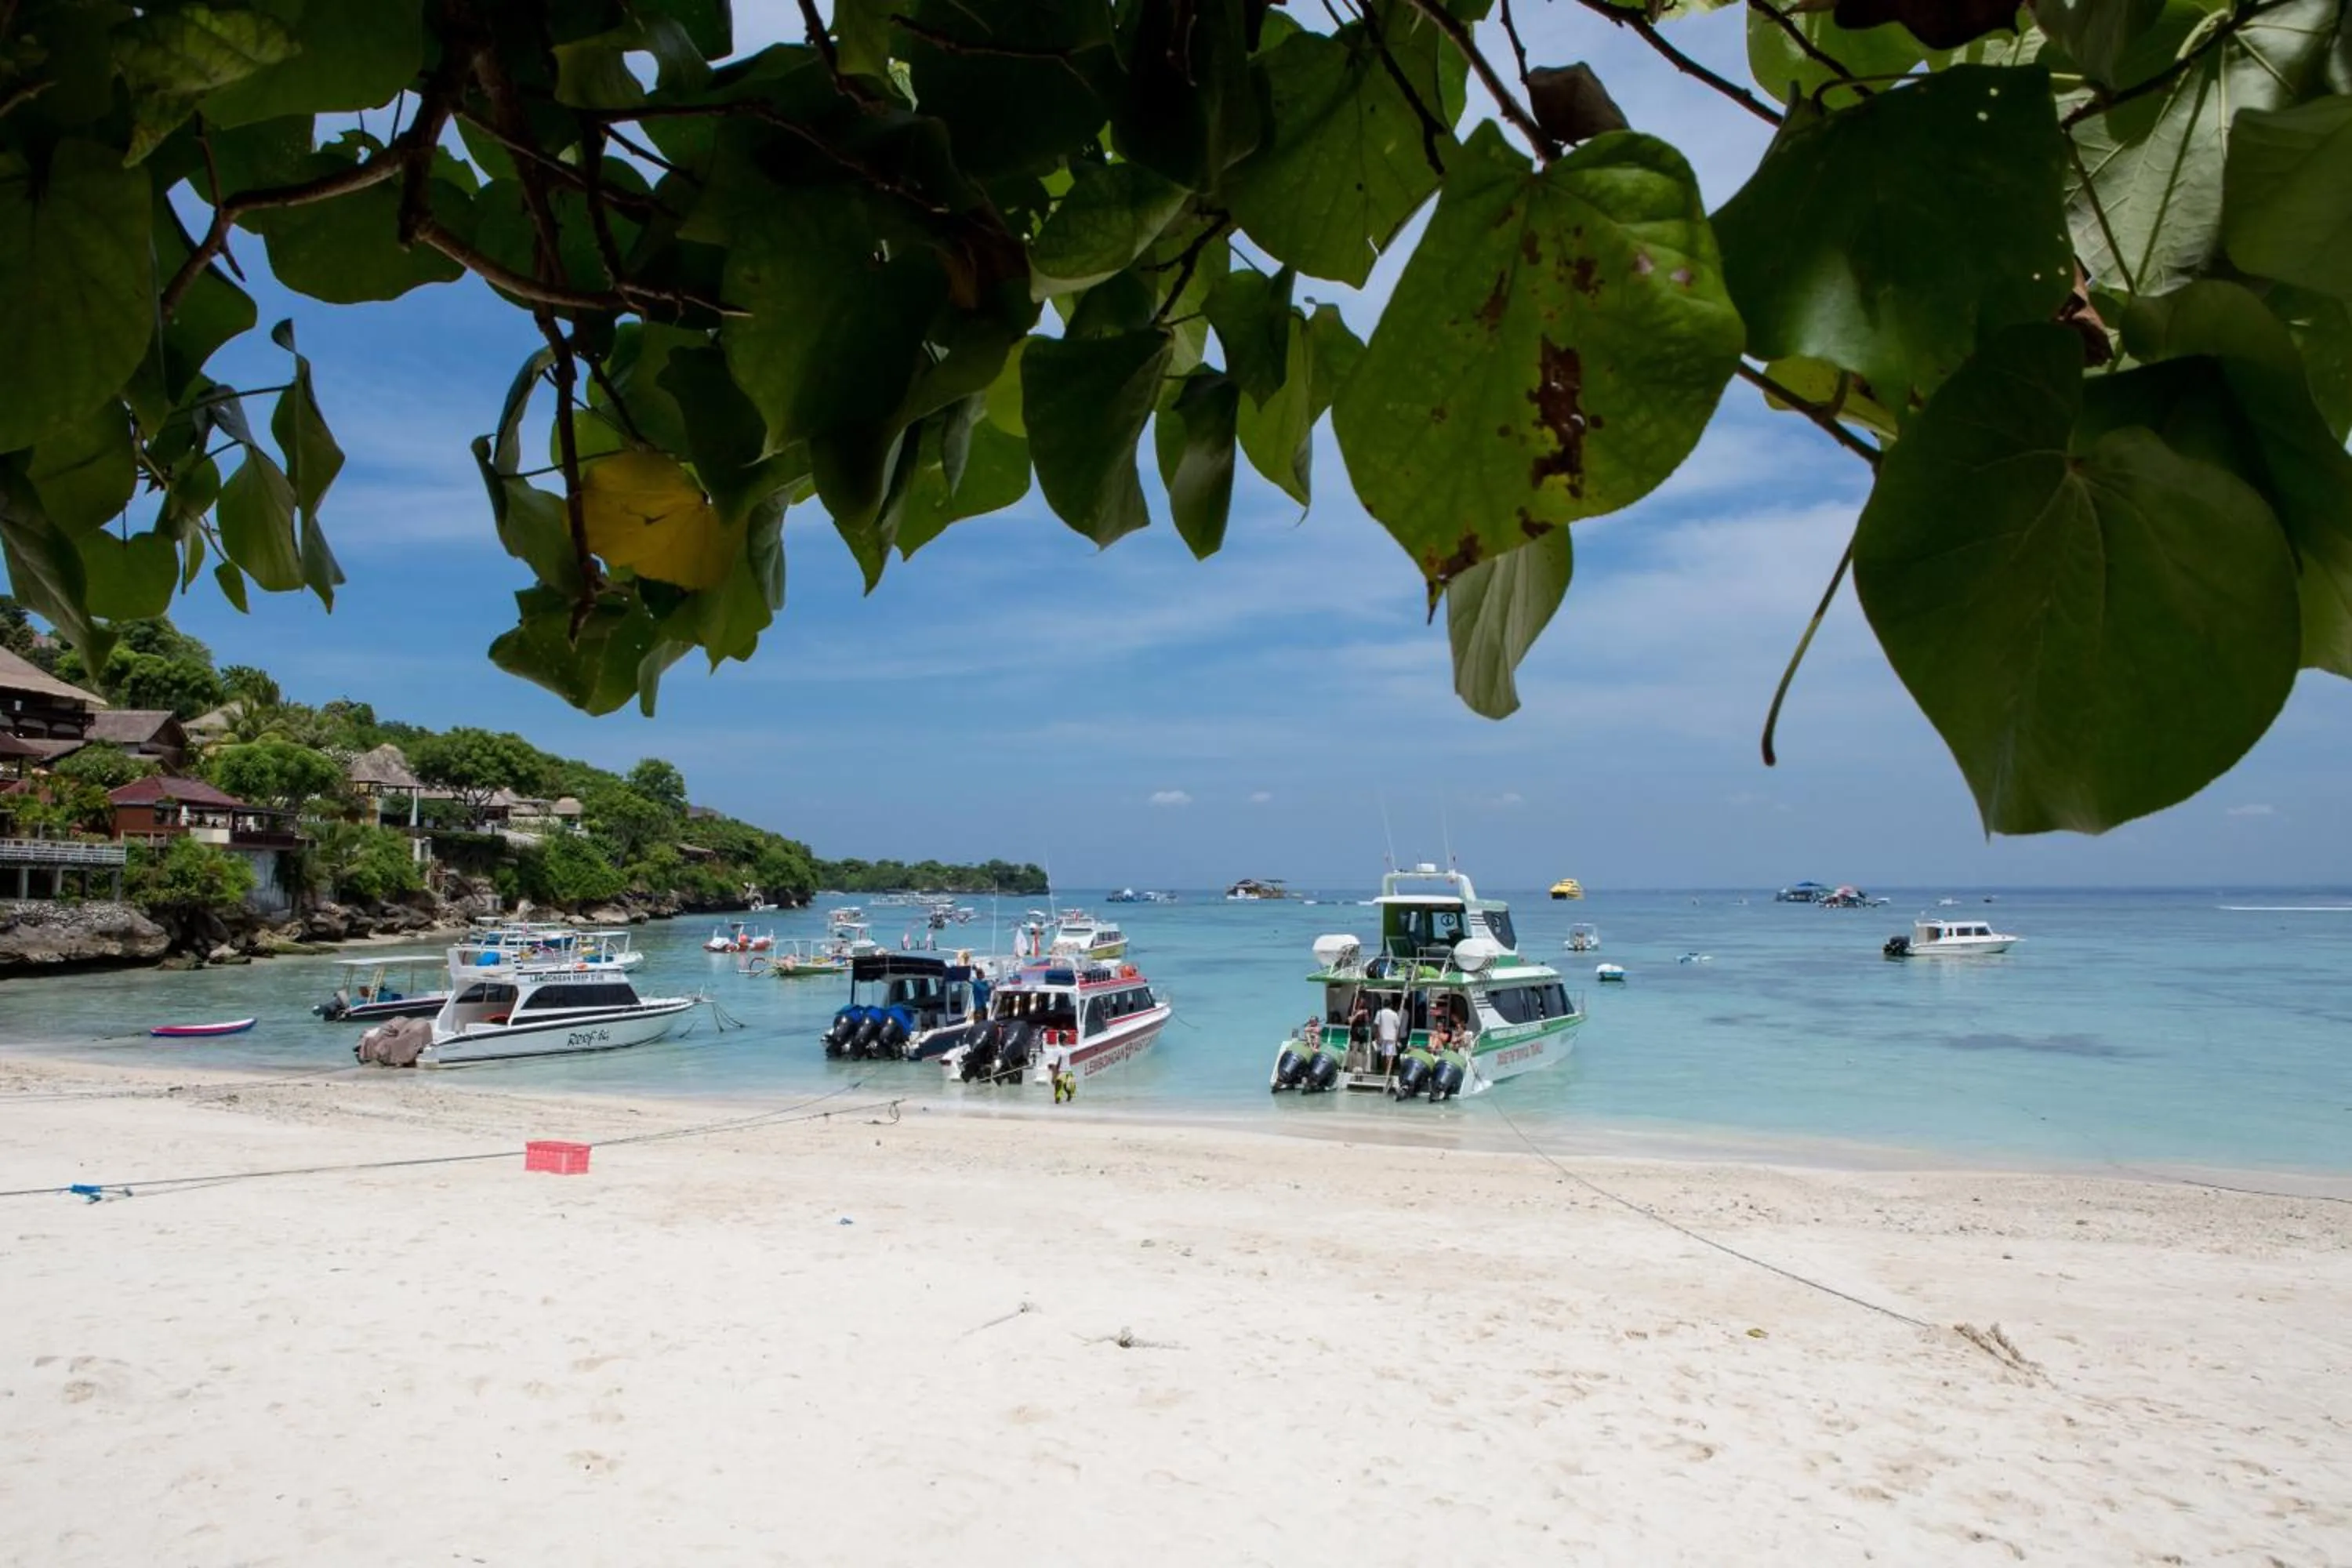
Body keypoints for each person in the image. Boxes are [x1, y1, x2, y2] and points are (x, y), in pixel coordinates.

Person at [1374, 997, 1403, 1072]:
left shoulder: (1379, 1013)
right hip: (1392, 1037)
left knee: (1383, 1056)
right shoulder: (1394, 1014)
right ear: (1391, 1005)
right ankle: (1388, 1072)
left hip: (1382, 1037)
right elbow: (1397, 1028)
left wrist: (1377, 1038)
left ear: (1383, 1005)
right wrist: (1398, 1039)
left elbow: (1376, 1026)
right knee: (1390, 1056)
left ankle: (1385, 1071)